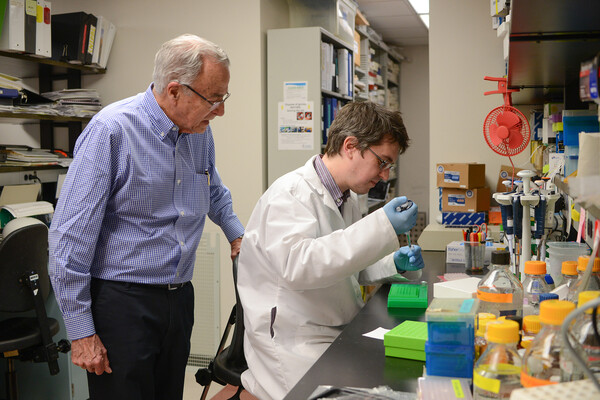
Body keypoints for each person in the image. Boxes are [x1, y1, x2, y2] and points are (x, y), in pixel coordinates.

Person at [49, 34, 244, 400]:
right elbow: (68, 238)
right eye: (213, 99)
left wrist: (237, 234)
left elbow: (211, 187)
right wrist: (81, 332)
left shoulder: (199, 132)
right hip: (122, 303)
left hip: (178, 298)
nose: (220, 111)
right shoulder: (111, 131)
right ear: (174, 91)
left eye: (223, 98)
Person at [237, 101, 424, 400]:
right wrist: (381, 226)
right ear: (351, 146)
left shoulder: (346, 197)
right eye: (382, 162)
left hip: (334, 323)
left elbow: (347, 264)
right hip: (294, 337)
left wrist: (393, 264)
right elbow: (300, 268)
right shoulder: (289, 195)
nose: (385, 176)